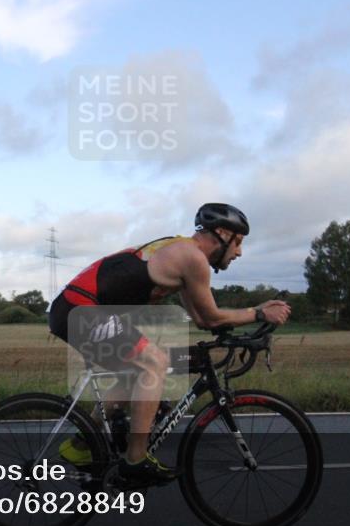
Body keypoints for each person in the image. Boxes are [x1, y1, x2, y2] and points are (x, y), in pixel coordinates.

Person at [47, 203, 292, 486]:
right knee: (155, 362)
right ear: (222, 233)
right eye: (238, 242)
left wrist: (249, 319)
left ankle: (82, 444)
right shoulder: (192, 258)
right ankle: (135, 460)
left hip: (75, 308)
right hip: (83, 309)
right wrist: (259, 312)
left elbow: (202, 318)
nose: (239, 252)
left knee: (140, 370)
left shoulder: (183, 253)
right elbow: (212, 317)